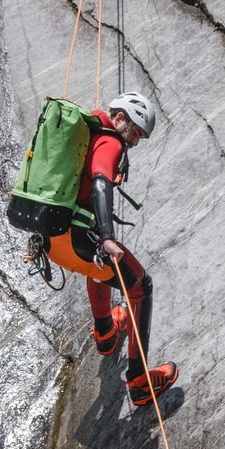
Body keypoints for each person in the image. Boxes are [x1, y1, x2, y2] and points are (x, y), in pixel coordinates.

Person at [78, 91, 179, 408]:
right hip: (84, 238)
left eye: (138, 138)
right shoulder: (110, 141)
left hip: (59, 239)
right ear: (118, 117)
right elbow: (100, 183)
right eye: (133, 132)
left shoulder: (88, 132)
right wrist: (107, 236)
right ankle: (139, 382)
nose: (133, 142)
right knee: (141, 288)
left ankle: (106, 334)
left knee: (97, 268)